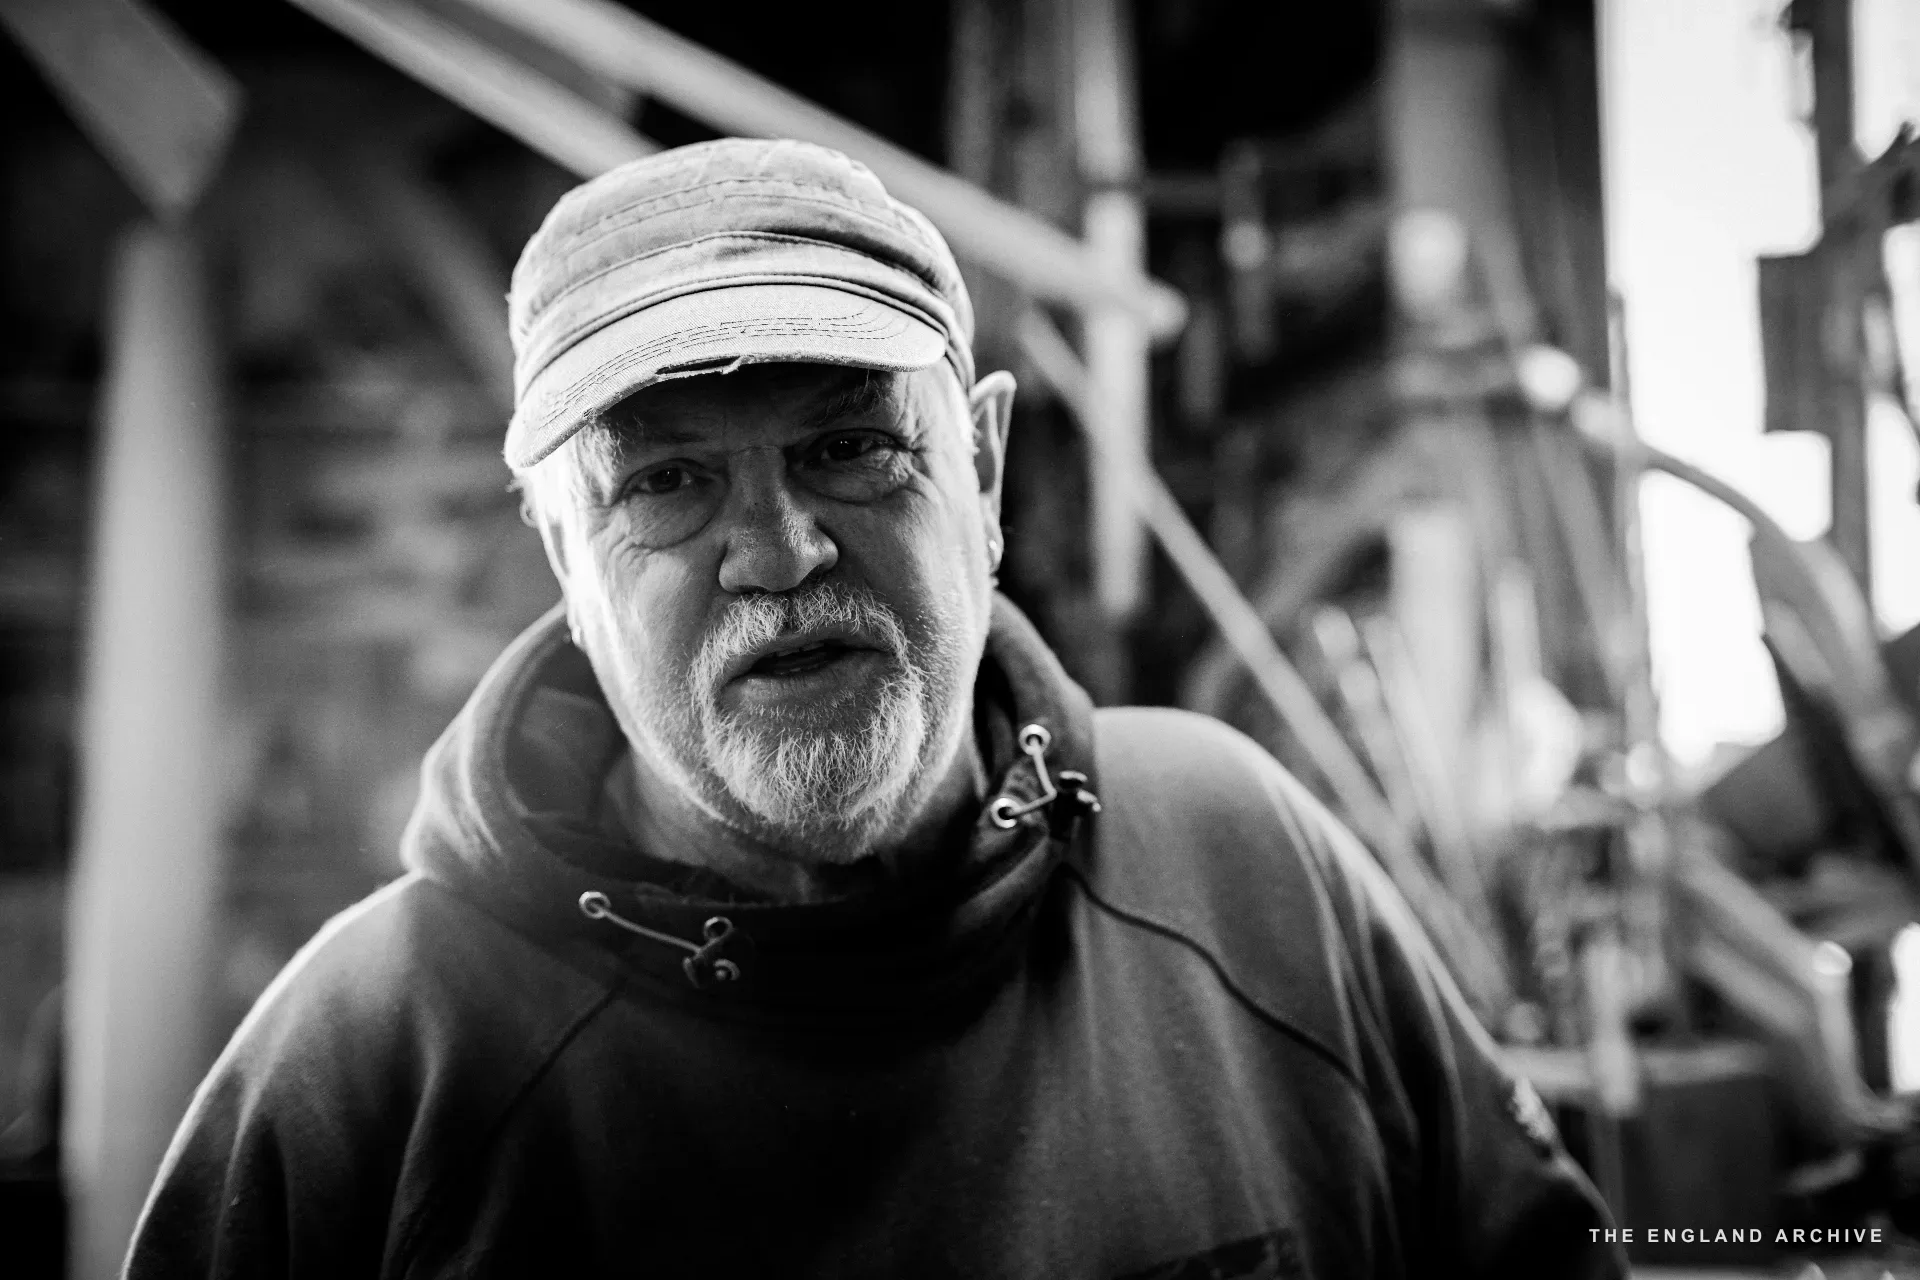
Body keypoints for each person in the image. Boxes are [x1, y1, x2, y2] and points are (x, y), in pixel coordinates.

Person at [126, 138, 1623, 1279]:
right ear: (561, 552)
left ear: (978, 467)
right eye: (665, 481)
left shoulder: (1243, 869)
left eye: (851, 446)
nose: (778, 553)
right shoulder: (363, 1079)